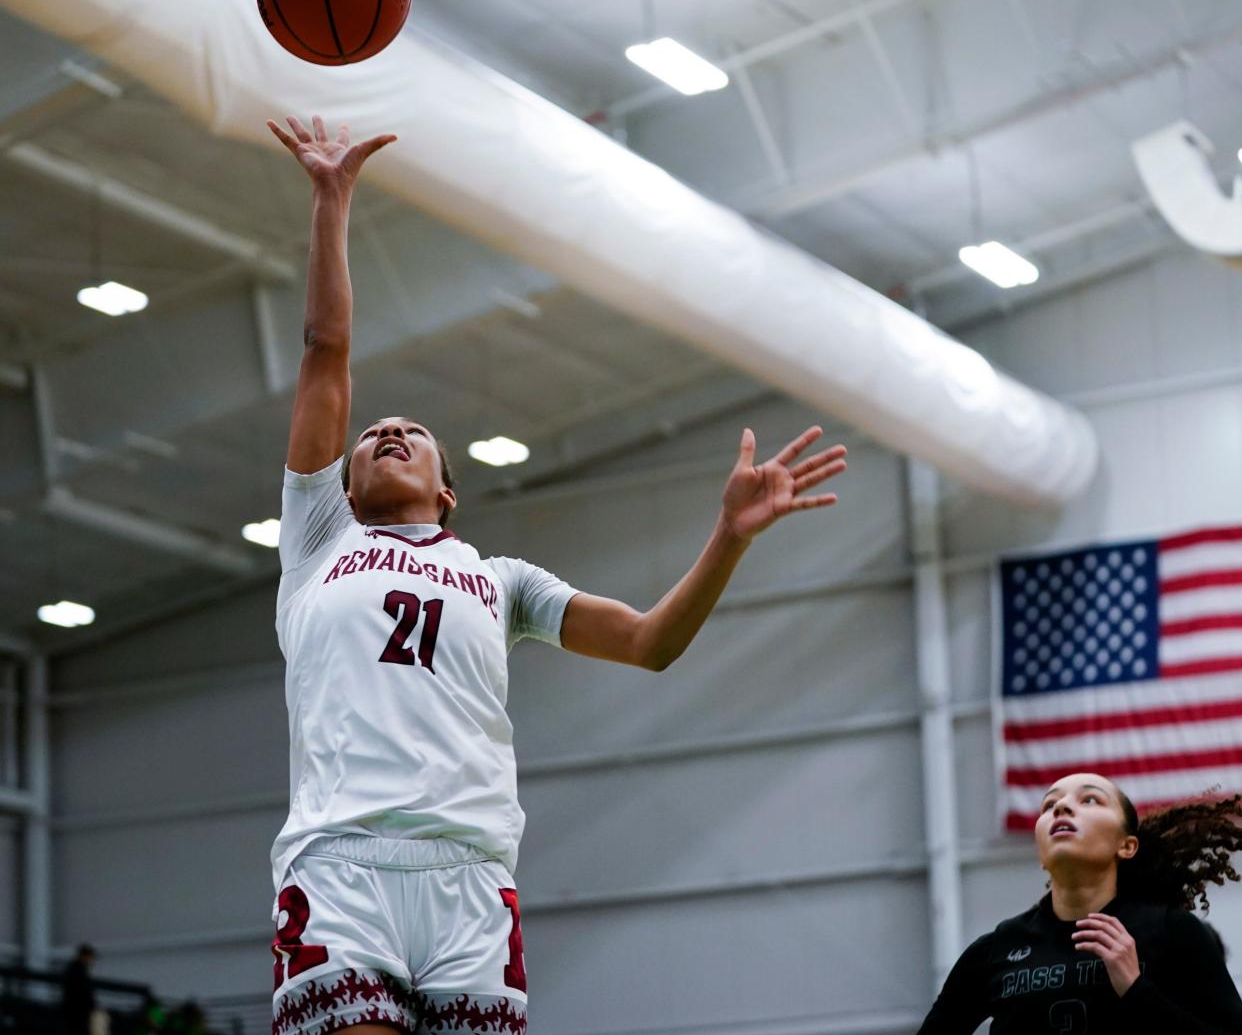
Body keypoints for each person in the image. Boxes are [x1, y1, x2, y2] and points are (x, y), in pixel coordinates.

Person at [263, 114, 848, 1035]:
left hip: (473, 881)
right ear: (338, 483)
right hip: (343, 866)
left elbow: (651, 644)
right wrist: (331, 200)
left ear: (447, 494)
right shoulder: (318, 542)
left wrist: (729, 535)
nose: (388, 431)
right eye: (373, 433)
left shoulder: (501, 581)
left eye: (413, 432)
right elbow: (324, 351)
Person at [918, 771, 1242, 1033]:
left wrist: (1136, 989)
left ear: (1127, 846)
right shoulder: (997, 948)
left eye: (1090, 799)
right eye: (1049, 805)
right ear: (1042, 855)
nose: (1061, 808)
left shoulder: (1173, 931)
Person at [61, 943, 96, 1035]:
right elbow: (83, 991)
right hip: (78, 1011)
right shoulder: (79, 971)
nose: (91, 961)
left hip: (73, 1010)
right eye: (90, 957)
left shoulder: (73, 968)